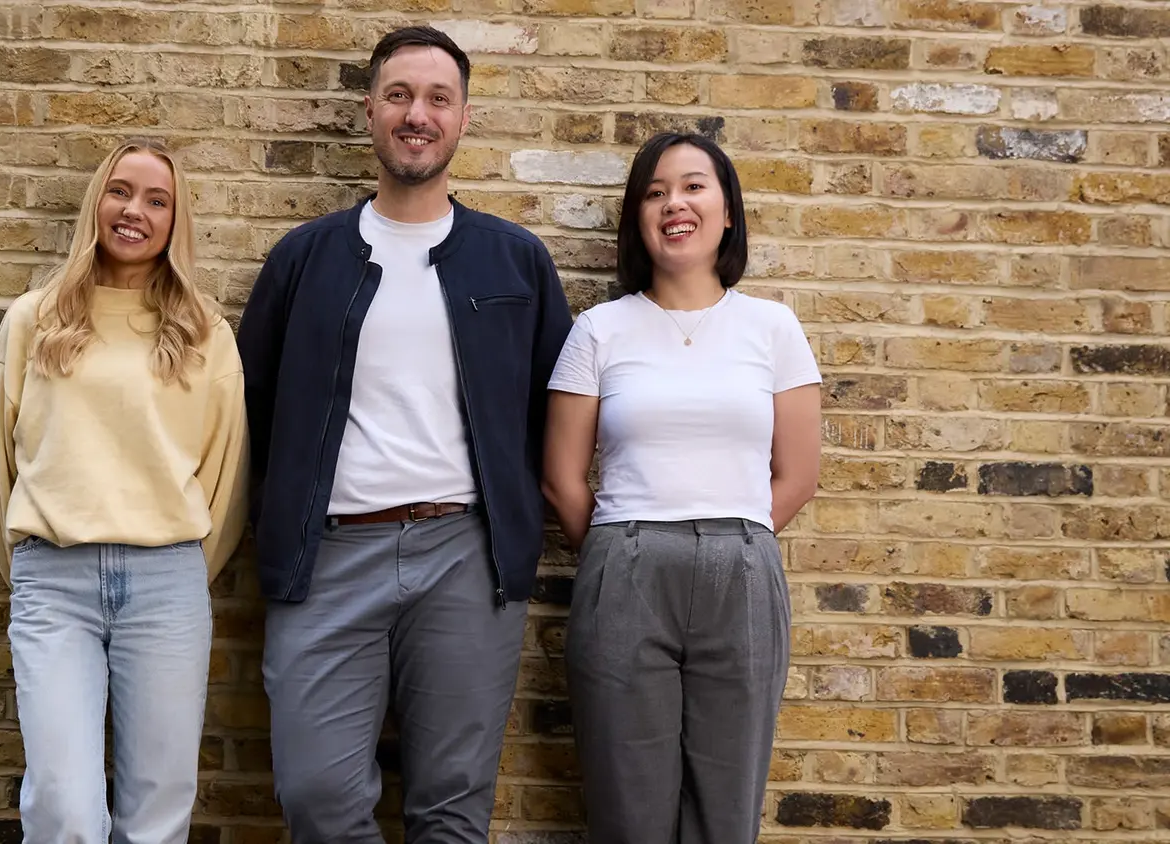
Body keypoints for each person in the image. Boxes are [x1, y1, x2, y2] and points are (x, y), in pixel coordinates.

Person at [236, 25, 573, 844]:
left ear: (461, 119)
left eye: (436, 99)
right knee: (317, 798)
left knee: (452, 809)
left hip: (464, 556)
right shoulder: (304, 259)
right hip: (327, 559)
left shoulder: (515, 261)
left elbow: (553, 410)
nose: (416, 114)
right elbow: (249, 406)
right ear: (369, 111)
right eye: (399, 95)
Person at [542, 132, 822, 844]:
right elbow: (563, 476)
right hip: (626, 566)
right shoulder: (599, 331)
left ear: (727, 210)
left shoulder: (773, 328)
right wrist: (619, 558)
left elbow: (797, 474)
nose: (675, 203)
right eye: (655, 191)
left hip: (743, 573)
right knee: (628, 812)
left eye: (694, 186)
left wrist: (732, 545)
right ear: (639, 217)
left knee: (726, 816)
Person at [0, 137, 249, 844]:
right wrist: (31, 560)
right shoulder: (34, 320)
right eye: (121, 191)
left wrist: (178, 566)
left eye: (158, 200)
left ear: (175, 221)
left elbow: (225, 475)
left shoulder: (204, 333)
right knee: (63, 807)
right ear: (97, 199)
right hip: (53, 582)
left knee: (158, 810)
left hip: (166, 587)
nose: (135, 211)